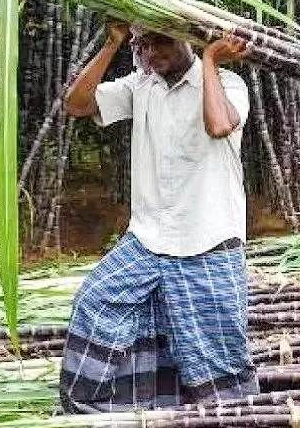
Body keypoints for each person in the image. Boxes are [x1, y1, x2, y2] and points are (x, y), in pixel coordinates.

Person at [58, 21, 256, 413]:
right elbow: (76, 105)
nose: (150, 54)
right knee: (95, 303)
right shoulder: (141, 85)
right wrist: (113, 43)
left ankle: (228, 416)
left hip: (207, 240)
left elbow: (219, 125)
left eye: (160, 42)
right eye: (142, 45)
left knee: (216, 355)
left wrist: (211, 60)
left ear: (187, 38)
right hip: (148, 239)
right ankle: (105, 412)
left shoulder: (227, 84)